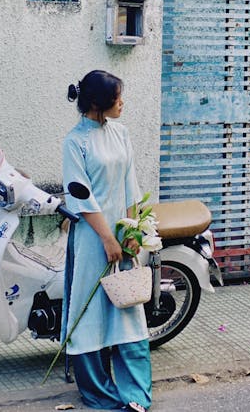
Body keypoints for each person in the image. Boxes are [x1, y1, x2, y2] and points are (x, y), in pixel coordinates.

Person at [61, 69, 152, 412]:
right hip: (90, 239)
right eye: (118, 98)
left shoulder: (121, 133)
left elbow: (130, 182)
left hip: (120, 234)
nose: (123, 103)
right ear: (99, 103)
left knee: (127, 308)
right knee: (91, 313)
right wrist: (106, 237)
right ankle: (100, 393)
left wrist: (130, 232)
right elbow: (80, 198)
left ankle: (135, 395)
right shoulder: (75, 142)